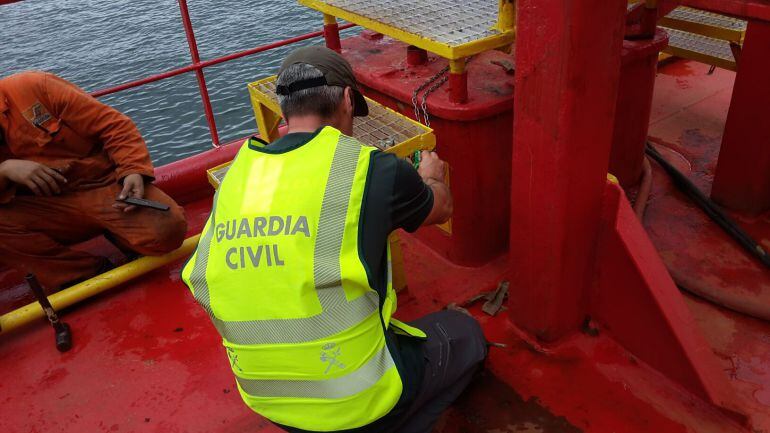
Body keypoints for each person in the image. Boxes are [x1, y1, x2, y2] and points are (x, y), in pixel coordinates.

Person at [182, 46, 487, 433]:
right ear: (346, 99)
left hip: (267, 398)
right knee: (465, 336)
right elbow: (440, 209)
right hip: (356, 405)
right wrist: (432, 176)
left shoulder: (238, 178)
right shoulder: (370, 169)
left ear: (282, 107)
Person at [0, 71, 187, 290]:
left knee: (168, 230)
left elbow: (113, 126)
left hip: (103, 186)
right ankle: (80, 274)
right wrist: (4, 170)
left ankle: (119, 232)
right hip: (45, 206)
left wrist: (132, 171)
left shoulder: (32, 86)